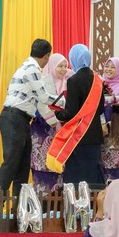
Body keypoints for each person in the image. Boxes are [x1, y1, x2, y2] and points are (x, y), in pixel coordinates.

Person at [0, 38, 59, 197]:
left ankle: (19, 208)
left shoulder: (27, 66)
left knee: (23, 167)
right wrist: (65, 102)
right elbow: (44, 97)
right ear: (46, 56)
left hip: (20, 119)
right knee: (11, 163)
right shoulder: (32, 69)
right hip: (14, 118)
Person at [46, 44, 105, 187]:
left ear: (73, 59)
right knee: (93, 176)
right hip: (95, 135)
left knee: (76, 178)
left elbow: (71, 112)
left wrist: (57, 113)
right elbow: (101, 107)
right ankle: (94, 206)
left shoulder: (73, 80)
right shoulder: (98, 80)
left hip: (77, 136)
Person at [30, 53, 74, 193]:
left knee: (58, 171)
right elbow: (36, 108)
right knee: (42, 169)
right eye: (59, 66)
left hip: (61, 135)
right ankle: (41, 206)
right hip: (42, 132)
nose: (63, 70)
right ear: (52, 66)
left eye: (65, 66)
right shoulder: (42, 83)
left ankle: (57, 208)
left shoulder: (69, 85)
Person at [101, 57, 119, 181]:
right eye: (107, 66)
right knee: (101, 164)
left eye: (113, 67)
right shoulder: (100, 84)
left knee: (115, 165)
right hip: (100, 129)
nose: (109, 69)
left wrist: (111, 125)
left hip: (116, 130)